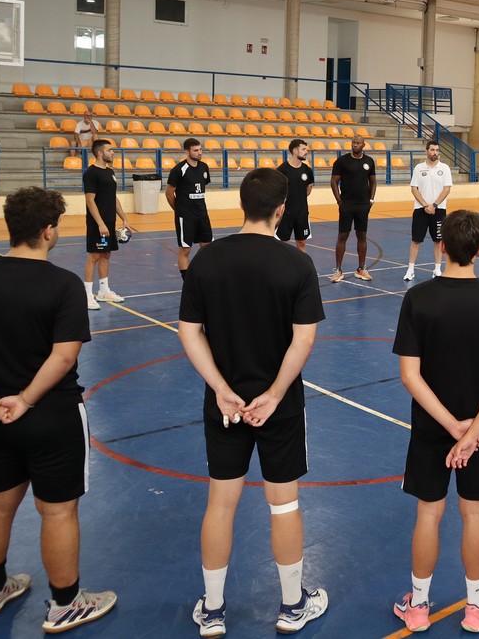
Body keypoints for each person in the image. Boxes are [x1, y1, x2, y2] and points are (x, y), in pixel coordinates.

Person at [0, 186, 117, 633]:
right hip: (49, 415)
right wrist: (27, 398)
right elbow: (62, 357)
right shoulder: (62, 285)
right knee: (57, 511)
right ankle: (65, 603)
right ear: (48, 230)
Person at [179, 168, 327, 637]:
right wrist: (276, 393)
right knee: (283, 505)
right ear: (281, 210)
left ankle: (214, 610)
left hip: (224, 406)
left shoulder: (205, 261)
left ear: (241, 205)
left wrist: (222, 388)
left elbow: (189, 332)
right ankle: (291, 606)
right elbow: (302, 341)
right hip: (278, 405)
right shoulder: (297, 265)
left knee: (220, 504)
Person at [392, 209, 479, 633]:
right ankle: (476, 607)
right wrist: (471, 432)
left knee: (428, 515)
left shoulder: (418, 299)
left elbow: (410, 375)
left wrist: (450, 427)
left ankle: (418, 607)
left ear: (442, 246)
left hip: (433, 429)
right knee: (475, 515)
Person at [82, 139, 131, 310]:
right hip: (98, 223)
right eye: (110, 150)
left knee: (106, 254)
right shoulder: (91, 173)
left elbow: (113, 197)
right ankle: (87, 294)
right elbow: (90, 200)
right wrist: (100, 224)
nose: (113, 153)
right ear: (100, 153)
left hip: (110, 221)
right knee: (94, 256)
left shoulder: (110, 172)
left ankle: (103, 291)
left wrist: (124, 218)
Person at [329, 136, 376, 282]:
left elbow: (373, 181)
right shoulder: (342, 161)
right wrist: (339, 201)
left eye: (358, 143)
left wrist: (371, 200)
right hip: (346, 205)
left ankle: (361, 269)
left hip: (363, 205)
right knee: (342, 236)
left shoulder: (369, 161)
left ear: (363, 145)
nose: (355, 145)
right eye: (353, 143)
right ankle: (338, 270)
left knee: (362, 235)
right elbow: (334, 181)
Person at [405, 140, 453, 282]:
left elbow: (447, 189)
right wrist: (426, 205)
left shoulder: (444, 168)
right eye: (432, 150)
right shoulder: (419, 168)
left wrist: (434, 205)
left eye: (437, 150)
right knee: (416, 240)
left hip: (438, 210)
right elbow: (414, 188)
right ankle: (410, 270)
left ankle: (437, 269)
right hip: (421, 209)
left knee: (438, 240)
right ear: (426, 151)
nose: (435, 153)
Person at [166, 138, 214, 279]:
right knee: (185, 249)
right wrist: (179, 210)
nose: (200, 153)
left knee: (207, 248)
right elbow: (169, 193)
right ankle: (187, 281)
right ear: (187, 152)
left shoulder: (204, 167)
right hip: (185, 216)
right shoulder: (178, 170)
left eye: (200, 149)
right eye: (196, 150)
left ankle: (204, 277)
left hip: (202, 214)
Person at [276, 139, 314, 252]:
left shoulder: (307, 170)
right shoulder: (282, 170)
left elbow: (309, 188)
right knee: (281, 243)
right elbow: (277, 190)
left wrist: (299, 199)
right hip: (285, 214)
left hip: (302, 213)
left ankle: (301, 268)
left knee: (301, 242)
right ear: (295, 151)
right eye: (303, 149)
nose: (306, 151)